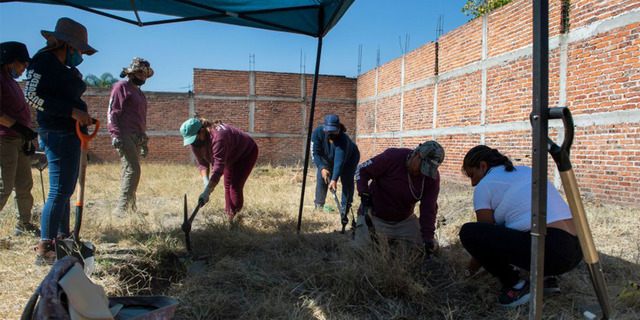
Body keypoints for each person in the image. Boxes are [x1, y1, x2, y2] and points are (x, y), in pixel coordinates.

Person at [458, 145, 582, 307]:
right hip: (578, 248)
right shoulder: (526, 170)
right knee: (523, 225)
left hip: (553, 251)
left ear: (483, 166)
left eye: (472, 175)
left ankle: (516, 286)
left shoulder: (484, 185)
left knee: (469, 232)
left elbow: (484, 238)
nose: (473, 183)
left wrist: (469, 272)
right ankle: (546, 280)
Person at [24, 17, 97, 266]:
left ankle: (62, 239)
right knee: (58, 191)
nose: (81, 56)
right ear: (66, 44)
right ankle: (45, 246)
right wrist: (72, 112)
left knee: (66, 189)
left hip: (70, 132)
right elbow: (31, 96)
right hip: (57, 132)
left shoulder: (63, 68)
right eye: (79, 50)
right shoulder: (43, 61)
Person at [354, 141, 444, 254]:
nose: (423, 173)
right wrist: (364, 194)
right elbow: (361, 170)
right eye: (422, 167)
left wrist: (427, 238)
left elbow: (429, 208)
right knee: (361, 252)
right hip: (376, 217)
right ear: (416, 153)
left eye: (427, 170)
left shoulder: (432, 177)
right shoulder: (392, 157)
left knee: (427, 248)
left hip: (405, 221)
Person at [180, 117, 259, 222]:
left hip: (246, 153)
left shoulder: (218, 137)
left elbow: (218, 168)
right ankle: (228, 216)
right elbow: (202, 163)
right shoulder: (195, 142)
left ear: (202, 131)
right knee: (227, 186)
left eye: (194, 139)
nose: (193, 144)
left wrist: (207, 191)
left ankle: (235, 220)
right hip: (230, 155)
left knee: (234, 186)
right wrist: (206, 181)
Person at [0, 41, 39, 236]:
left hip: (19, 140)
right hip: (4, 140)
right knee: (3, 187)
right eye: (22, 63)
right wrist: (17, 127)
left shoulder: (12, 82)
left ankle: (24, 225)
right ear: (10, 61)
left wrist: (26, 137)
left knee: (24, 185)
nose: (24, 68)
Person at [108, 57, 153, 213]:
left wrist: (143, 140)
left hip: (137, 136)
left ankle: (131, 208)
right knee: (132, 169)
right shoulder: (121, 87)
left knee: (130, 171)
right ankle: (122, 210)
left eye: (145, 75)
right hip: (125, 134)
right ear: (131, 72)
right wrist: (115, 135)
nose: (143, 77)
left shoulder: (139, 93)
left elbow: (140, 118)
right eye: (140, 73)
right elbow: (112, 112)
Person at [311, 114, 360, 225]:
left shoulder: (343, 140)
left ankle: (345, 208)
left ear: (339, 129)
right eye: (329, 131)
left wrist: (334, 180)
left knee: (347, 181)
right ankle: (318, 206)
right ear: (324, 128)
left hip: (349, 159)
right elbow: (316, 153)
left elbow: (339, 161)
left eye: (334, 131)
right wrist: (322, 168)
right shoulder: (317, 133)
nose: (331, 134)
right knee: (321, 178)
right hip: (327, 159)